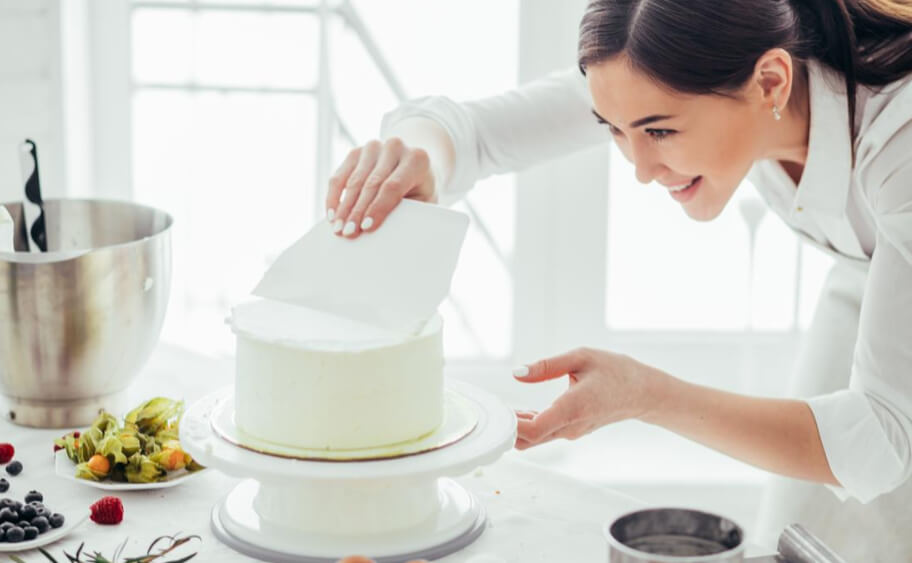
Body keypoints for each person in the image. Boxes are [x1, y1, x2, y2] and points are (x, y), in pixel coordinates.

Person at [324, 0, 912, 560]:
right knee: (799, 533)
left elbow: (879, 436)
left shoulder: (900, 139)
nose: (641, 170)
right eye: (613, 129)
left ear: (771, 84)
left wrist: (648, 396)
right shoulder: (713, 67)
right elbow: (468, 133)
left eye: (659, 133)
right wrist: (416, 155)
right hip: (869, 277)